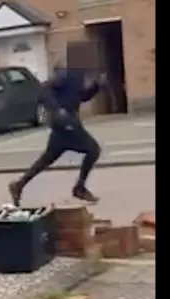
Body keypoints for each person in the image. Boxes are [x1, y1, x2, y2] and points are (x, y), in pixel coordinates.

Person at [7, 60, 106, 205]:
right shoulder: (52, 85)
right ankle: (79, 188)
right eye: (60, 73)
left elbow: (83, 96)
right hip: (65, 127)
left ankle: (19, 185)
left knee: (46, 159)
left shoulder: (73, 85)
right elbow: (43, 94)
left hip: (66, 127)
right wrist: (57, 110)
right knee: (93, 150)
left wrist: (96, 87)